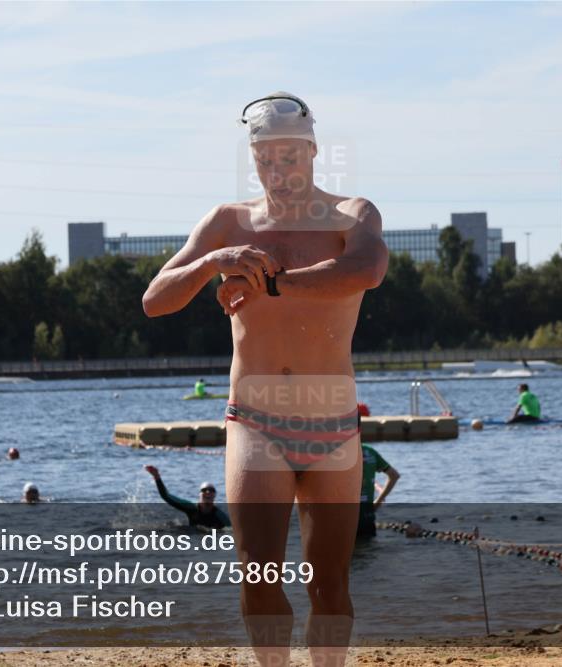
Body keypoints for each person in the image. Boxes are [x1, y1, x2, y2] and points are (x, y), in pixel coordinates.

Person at [142, 91, 388, 667]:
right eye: (265, 160)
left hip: (332, 417)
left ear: (312, 151)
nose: (277, 170)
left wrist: (272, 282)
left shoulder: (353, 213)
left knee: (329, 584)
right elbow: (154, 300)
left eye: (289, 157)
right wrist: (211, 263)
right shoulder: (228, 222)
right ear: (252, 158)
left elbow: (368, 270)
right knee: (257, 574)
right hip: (255, 420)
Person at [144, 465, 230, 529]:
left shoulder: (220, 516)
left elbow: (234, 531)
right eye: (204, 490)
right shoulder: (191, 508)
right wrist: (157, 477)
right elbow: (166, 496)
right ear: (199, 495)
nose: (208, 492)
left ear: (214, 495)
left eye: (211, 490)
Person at [357, 444, 400, 539]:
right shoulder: (370, 451)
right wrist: (378, 502)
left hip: (343, 520)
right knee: (369, 550)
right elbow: (394, 475)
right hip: (367, 517)